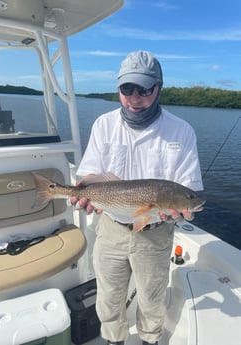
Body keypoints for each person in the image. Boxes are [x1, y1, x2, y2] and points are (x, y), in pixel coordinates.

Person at [74, 51, 203, 345]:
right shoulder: (103, 125)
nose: (135, 97)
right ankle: (113, 340)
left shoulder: (181, 131)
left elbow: (186, 188)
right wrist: (82, 194)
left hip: (155, 233)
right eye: (127, 89)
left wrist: (181, 209)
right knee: (108, 297)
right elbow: (90, 175)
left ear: (158, 87)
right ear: (118, 88)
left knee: (152, 299)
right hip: (110, 228)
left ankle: (149, 340)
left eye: (144, 89)